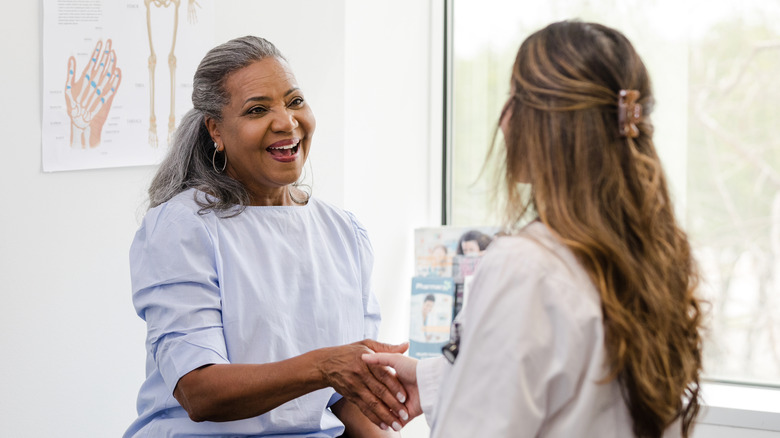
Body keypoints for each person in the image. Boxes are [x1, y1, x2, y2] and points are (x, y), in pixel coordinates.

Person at [364, 20, 705, 438]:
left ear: (548, 125)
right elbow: (572, 383)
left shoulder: (523, 268)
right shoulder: (654, 254)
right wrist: (430, 380)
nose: (504, 117)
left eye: (514, 97)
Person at [124, 36, 411, 438]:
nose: (286, 122)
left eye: (294, 101)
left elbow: (347, 396)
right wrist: (323, 366)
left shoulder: (344, 232)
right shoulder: (183, 228)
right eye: (258, 109)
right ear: (215, 131)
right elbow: (199, 392)